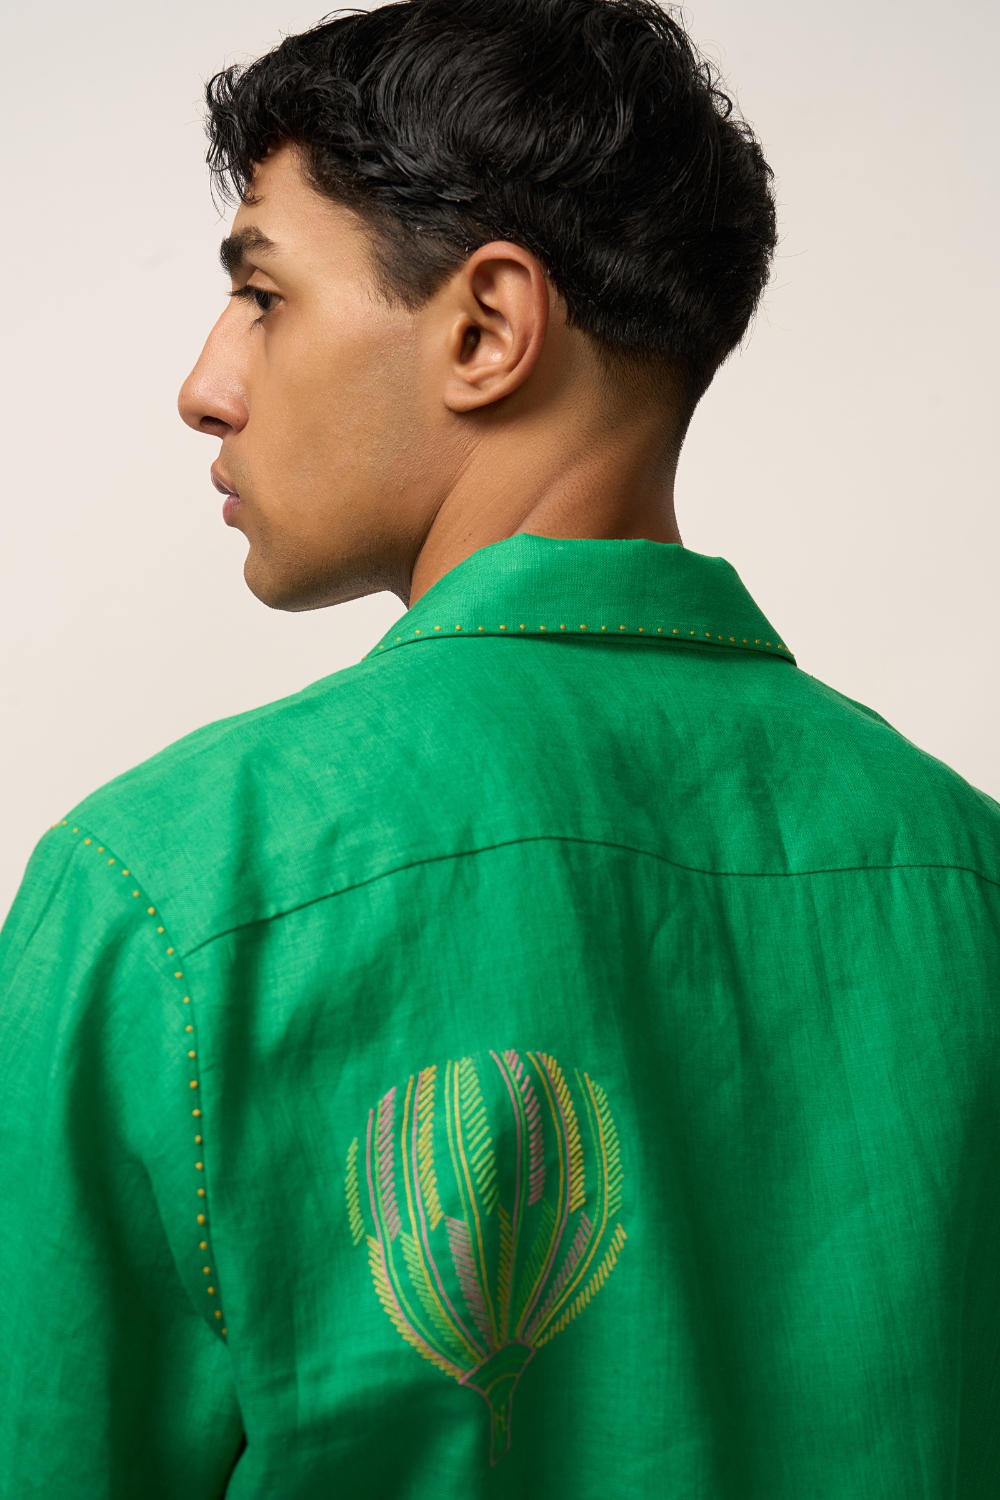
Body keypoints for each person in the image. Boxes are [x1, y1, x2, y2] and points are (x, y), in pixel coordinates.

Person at [1, 0, 998, 1494]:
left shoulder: (164, 895)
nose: (206, 384)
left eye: (262, 295)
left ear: (486, 329)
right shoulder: (970, 876)